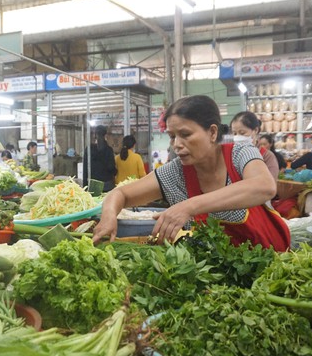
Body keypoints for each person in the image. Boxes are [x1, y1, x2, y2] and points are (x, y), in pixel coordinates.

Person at [93, 95, 290, 250]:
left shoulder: (239, 154)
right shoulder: (176, 172)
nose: (176, 145)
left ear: (212, 133)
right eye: (172, 136)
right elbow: (120, 193)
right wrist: (109, 215)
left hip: (270, 265)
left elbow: (264, 186)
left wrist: (188, 207)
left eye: (185, 135)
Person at [230, 111, 280, 179]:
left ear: (255, 130)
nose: (238, 137)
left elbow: (270, 184)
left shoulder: (267, 156)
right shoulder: (231, 154)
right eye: (234, 133)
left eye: (242, 133)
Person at [85, 125, 117, 191]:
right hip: (107, 184)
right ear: (105, 135)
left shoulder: (89, 149)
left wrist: (85, 186)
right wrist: (115, 171)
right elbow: (111, 167)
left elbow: (85, 169)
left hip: (94, 185)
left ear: (95, 135)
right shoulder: (108, 150)